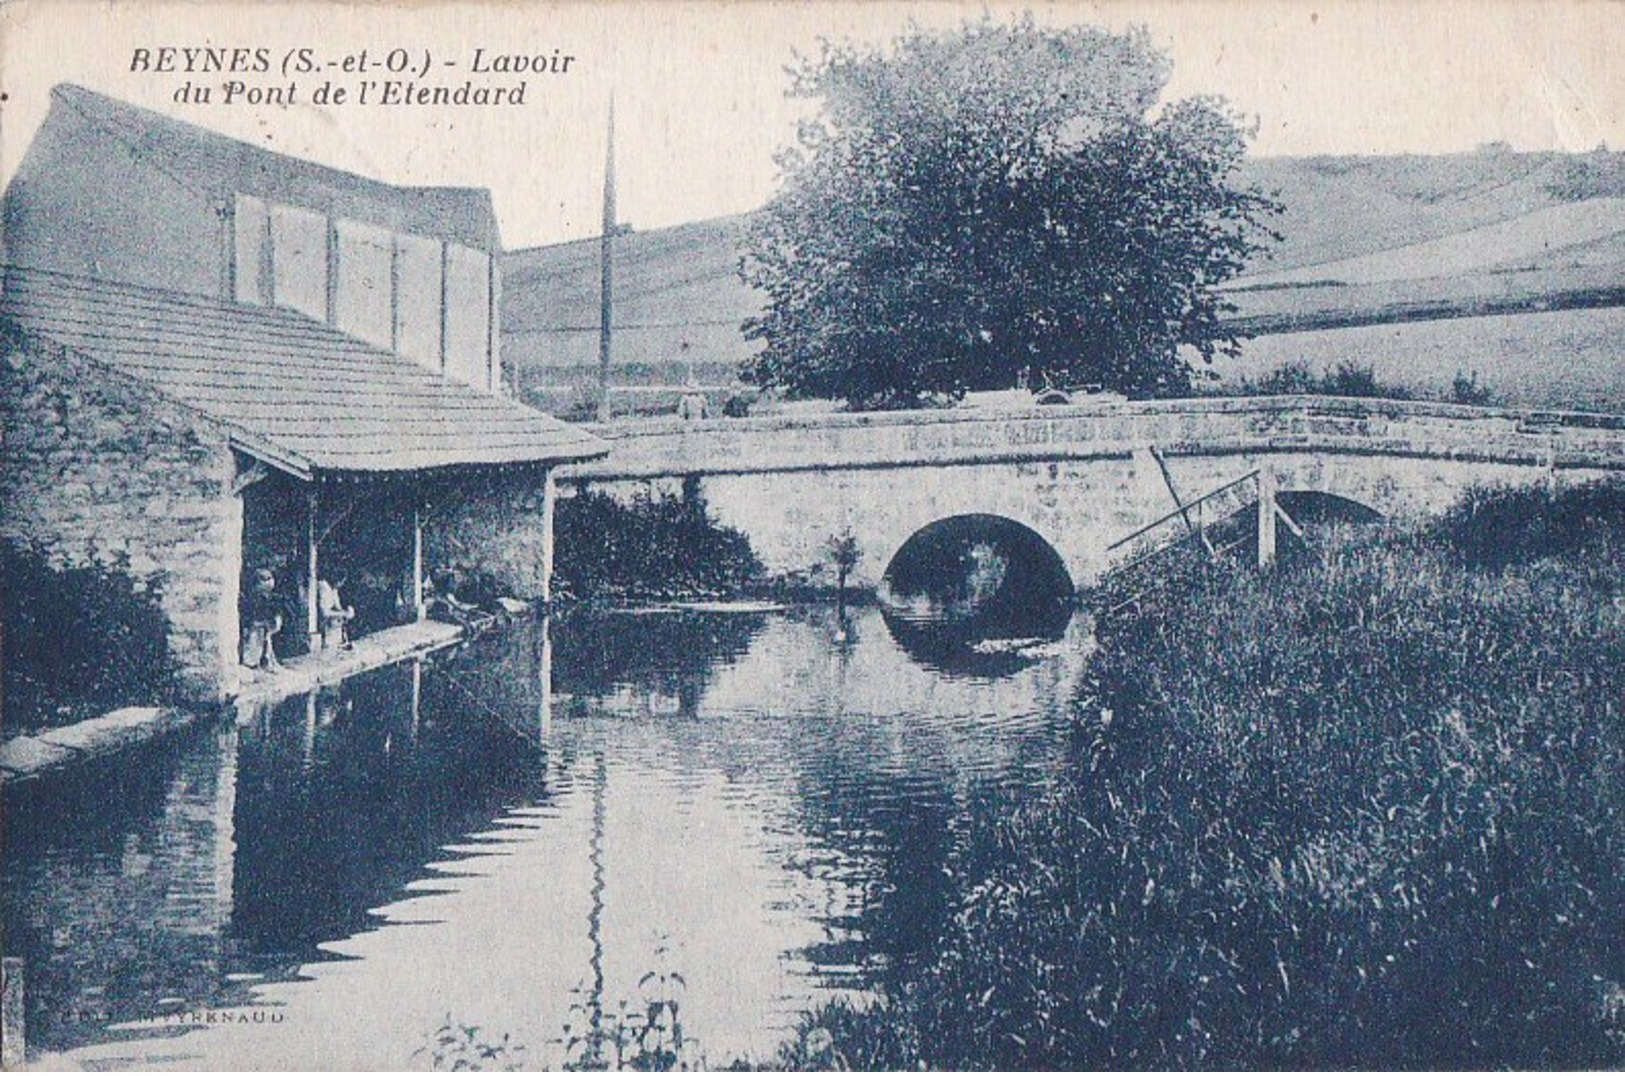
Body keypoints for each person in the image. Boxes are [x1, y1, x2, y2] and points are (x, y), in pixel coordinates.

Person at [241, 567, 285, 671]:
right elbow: (251, 616)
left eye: (270, 579)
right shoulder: (253, 598)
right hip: (255, 627)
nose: (269, 582)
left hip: (265, 626)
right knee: (255, 639)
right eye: (265, 580)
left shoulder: (271, 597)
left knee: (266, 641)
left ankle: (267, 662)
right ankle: (252, 663)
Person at [317, 575, 356, 652]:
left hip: (332, 625)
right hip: (323, 623)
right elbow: (325, 612)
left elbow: (337, 606)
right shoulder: (324, 587)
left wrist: (346, 612)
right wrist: (344, 614)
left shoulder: (334, 589)